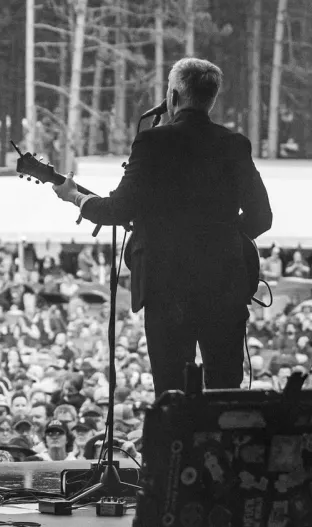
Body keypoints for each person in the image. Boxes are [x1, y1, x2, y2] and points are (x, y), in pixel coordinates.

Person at [53, 58, 272, 395]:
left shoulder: (153, 142)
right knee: (225, 391)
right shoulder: (234, 144)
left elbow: (118, 208)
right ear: (211, 98)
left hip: (166, 286)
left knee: (171, 392)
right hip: (224, 286)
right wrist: (223, 237)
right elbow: (261, 217)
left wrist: (76, 198)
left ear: (172, 96)